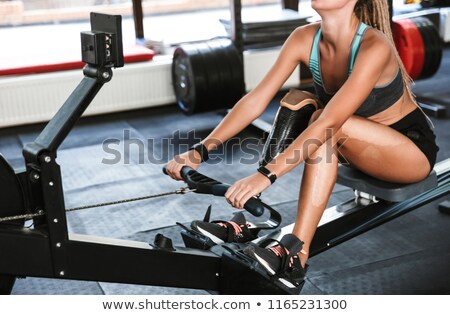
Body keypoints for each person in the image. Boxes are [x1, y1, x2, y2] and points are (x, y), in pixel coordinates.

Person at [165, 0, 439, 282]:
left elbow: (330, 123)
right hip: (358, 149)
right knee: (300, 103)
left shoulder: (374, 46)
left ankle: (297, 255)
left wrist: (265, 175)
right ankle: (255, 219)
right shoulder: (304, 37)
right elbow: (255, 100)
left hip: (409, 153)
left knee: (326, 120)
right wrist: (200, 150)